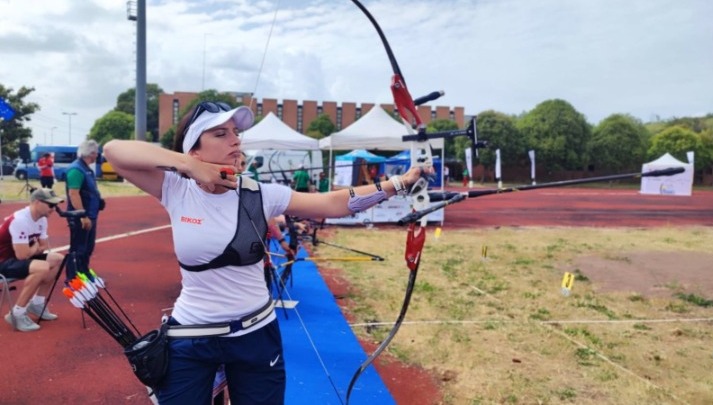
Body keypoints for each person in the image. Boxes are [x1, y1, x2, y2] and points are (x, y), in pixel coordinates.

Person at [103, 101, 424, 405]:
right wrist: (188, 166)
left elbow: (331, 203)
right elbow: (113, 151)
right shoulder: (175, 188)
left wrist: (399, 182)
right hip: (192, 334)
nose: (235, 140)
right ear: (194, 147)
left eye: (236, 133)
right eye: (220, 133)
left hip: (255, 334)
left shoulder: (259, 193)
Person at [0, 188, 65, 332]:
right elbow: (23, 255)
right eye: (50, 205)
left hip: (16, 258)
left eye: (55, 205)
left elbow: (43, 246)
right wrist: (34, 248)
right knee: (41, 267)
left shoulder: (41, 219)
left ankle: (37, 303)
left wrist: (33, 249)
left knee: (58, 259)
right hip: (3, 261)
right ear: (37, 202)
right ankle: (17, 313)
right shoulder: (20, 220)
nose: (53, 209)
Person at [65, 140, 103, 281]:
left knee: (88, 247)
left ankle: (84, 271)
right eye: (96, 152)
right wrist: (82, 215)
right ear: (91, 153)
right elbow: (73, 193)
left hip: (91, 214)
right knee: (78, 248)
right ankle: (73, 277)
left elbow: (90, 190)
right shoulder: (76, 170)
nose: (98, 155)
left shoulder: (87, 169)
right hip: (80, 216)